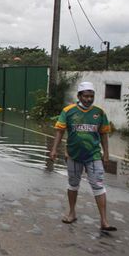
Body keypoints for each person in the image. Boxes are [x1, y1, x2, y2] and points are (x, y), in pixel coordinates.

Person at [50, 81, 116, 232]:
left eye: (91, 96)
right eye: (85, 96)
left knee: (98, 186)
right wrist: (54, 149)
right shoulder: (68, 111)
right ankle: (72, 212)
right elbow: (60, 131)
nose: (88, 99)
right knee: (73, 184)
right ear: (79, 96)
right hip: (74, 155)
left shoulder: (99, 113)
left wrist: (106, 154)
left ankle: (104, 221)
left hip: (93, 156)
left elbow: (104, 134)